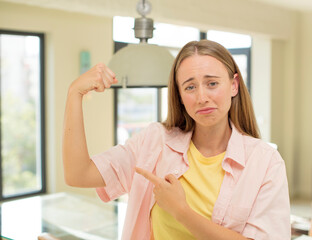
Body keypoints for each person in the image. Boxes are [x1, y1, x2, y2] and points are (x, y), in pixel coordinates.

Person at [63, 39, 291, 240]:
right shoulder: (154, 142)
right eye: (190, 87)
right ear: (180, 96)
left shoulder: (265, 162)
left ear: (234, 85)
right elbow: (78, 174)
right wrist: (74, 93)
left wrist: (181, 211)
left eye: (212, 83)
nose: (202, 97)